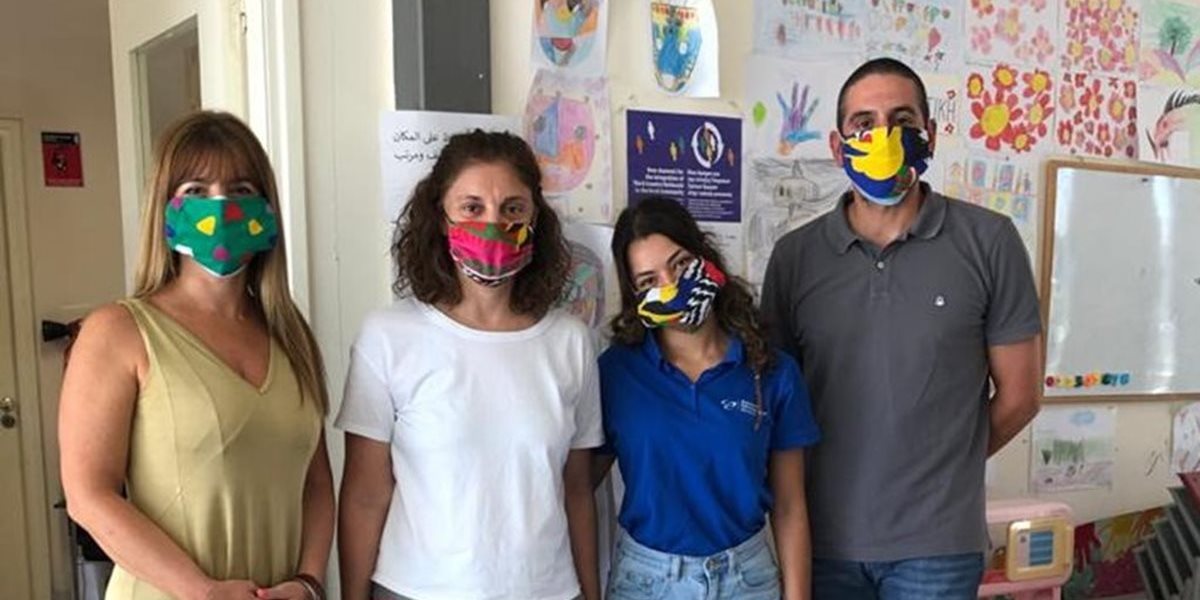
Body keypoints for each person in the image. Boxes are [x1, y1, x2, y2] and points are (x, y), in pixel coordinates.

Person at [760, 58, 1043, 599]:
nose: (883, 136)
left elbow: (1021, 396)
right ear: (838, 147)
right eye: (863, 123)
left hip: (939, 546)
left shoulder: (990, 241)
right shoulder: (795, 258)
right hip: (823, 540)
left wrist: (945, 464)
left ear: (929, 133)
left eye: (902, 120)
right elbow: (776, 404)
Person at [59, 111, 334, 600]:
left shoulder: (291, 336)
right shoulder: (117, 332)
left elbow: (315, 483)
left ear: (266, 210)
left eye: (241, 189)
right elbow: (88, 495)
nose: (221, 206)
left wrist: (308, 584)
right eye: (196, 190)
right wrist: (202, 591)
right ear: (166, 210)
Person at [335, 130, 602, 600]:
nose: (494, 224)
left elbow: (577, 491)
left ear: (535, 218)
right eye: (472, 207)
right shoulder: (389, 336)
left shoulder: (570, 342)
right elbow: (364, 496)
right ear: (441, 218)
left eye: (513, 208)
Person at [595, 196, 821, 600]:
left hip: (747, 580)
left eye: (680, 264)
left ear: (706, 257)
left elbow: (790, 507)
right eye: (649, 281)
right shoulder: (614, 372)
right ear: (636, 295)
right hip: (646, 582)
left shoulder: (772, 371)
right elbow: (578, 487)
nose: (671, 286)